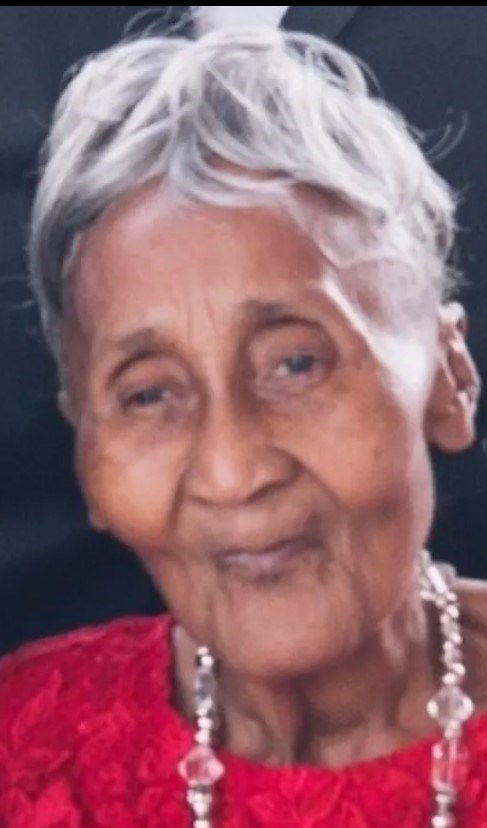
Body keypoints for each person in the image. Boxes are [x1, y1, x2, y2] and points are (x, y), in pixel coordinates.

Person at [0, 24, 486, 827]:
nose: (232, 471)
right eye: (147, 395)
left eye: (295, 364)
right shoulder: (24, 750)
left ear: (448, 379)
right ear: (85, 447)